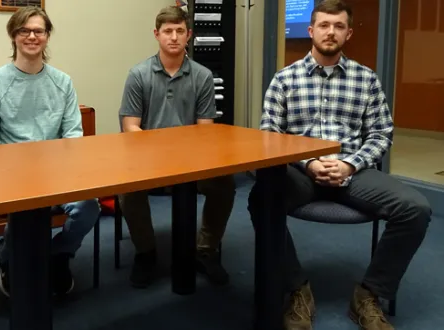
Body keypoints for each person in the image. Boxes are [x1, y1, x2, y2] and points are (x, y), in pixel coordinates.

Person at [250, 1, 431, 329]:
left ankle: (369, 294)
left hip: (355, 173)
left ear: (348, 33)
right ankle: (296, 289)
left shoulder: (367, 80)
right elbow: (269, 137)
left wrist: (350, 164)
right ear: (311, 31)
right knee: (260, 199)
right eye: (323, 25)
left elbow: (381, 134)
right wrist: (308, 162)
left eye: (337, 26)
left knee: (415, 208)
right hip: (301, 173)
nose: (330, 32)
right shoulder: (284, 80)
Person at [0, 6, 100, 297]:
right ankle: (7, 256)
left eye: (39, 31)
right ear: (14, 35)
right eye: (24, 30)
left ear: (47, 36)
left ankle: (59, 255)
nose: (32, 36)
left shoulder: (63, 82)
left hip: (58, 172)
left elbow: (73, 135)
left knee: (88, 208)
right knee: (26, 211)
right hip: (13, 176)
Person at [117, 5, 236, 289]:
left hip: (193, 158)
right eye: (167, 31)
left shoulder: (203, 76)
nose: (173, 37)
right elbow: (130, 127)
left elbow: (205, 129)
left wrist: (186, 157)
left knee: (224, 185)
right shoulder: (138, 74)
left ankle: (205, 250)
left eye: (179, 31)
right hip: (148, 158)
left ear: (189, 35)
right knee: (127, 189)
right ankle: (146, 252)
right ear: (157, 34)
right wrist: (156, 155)